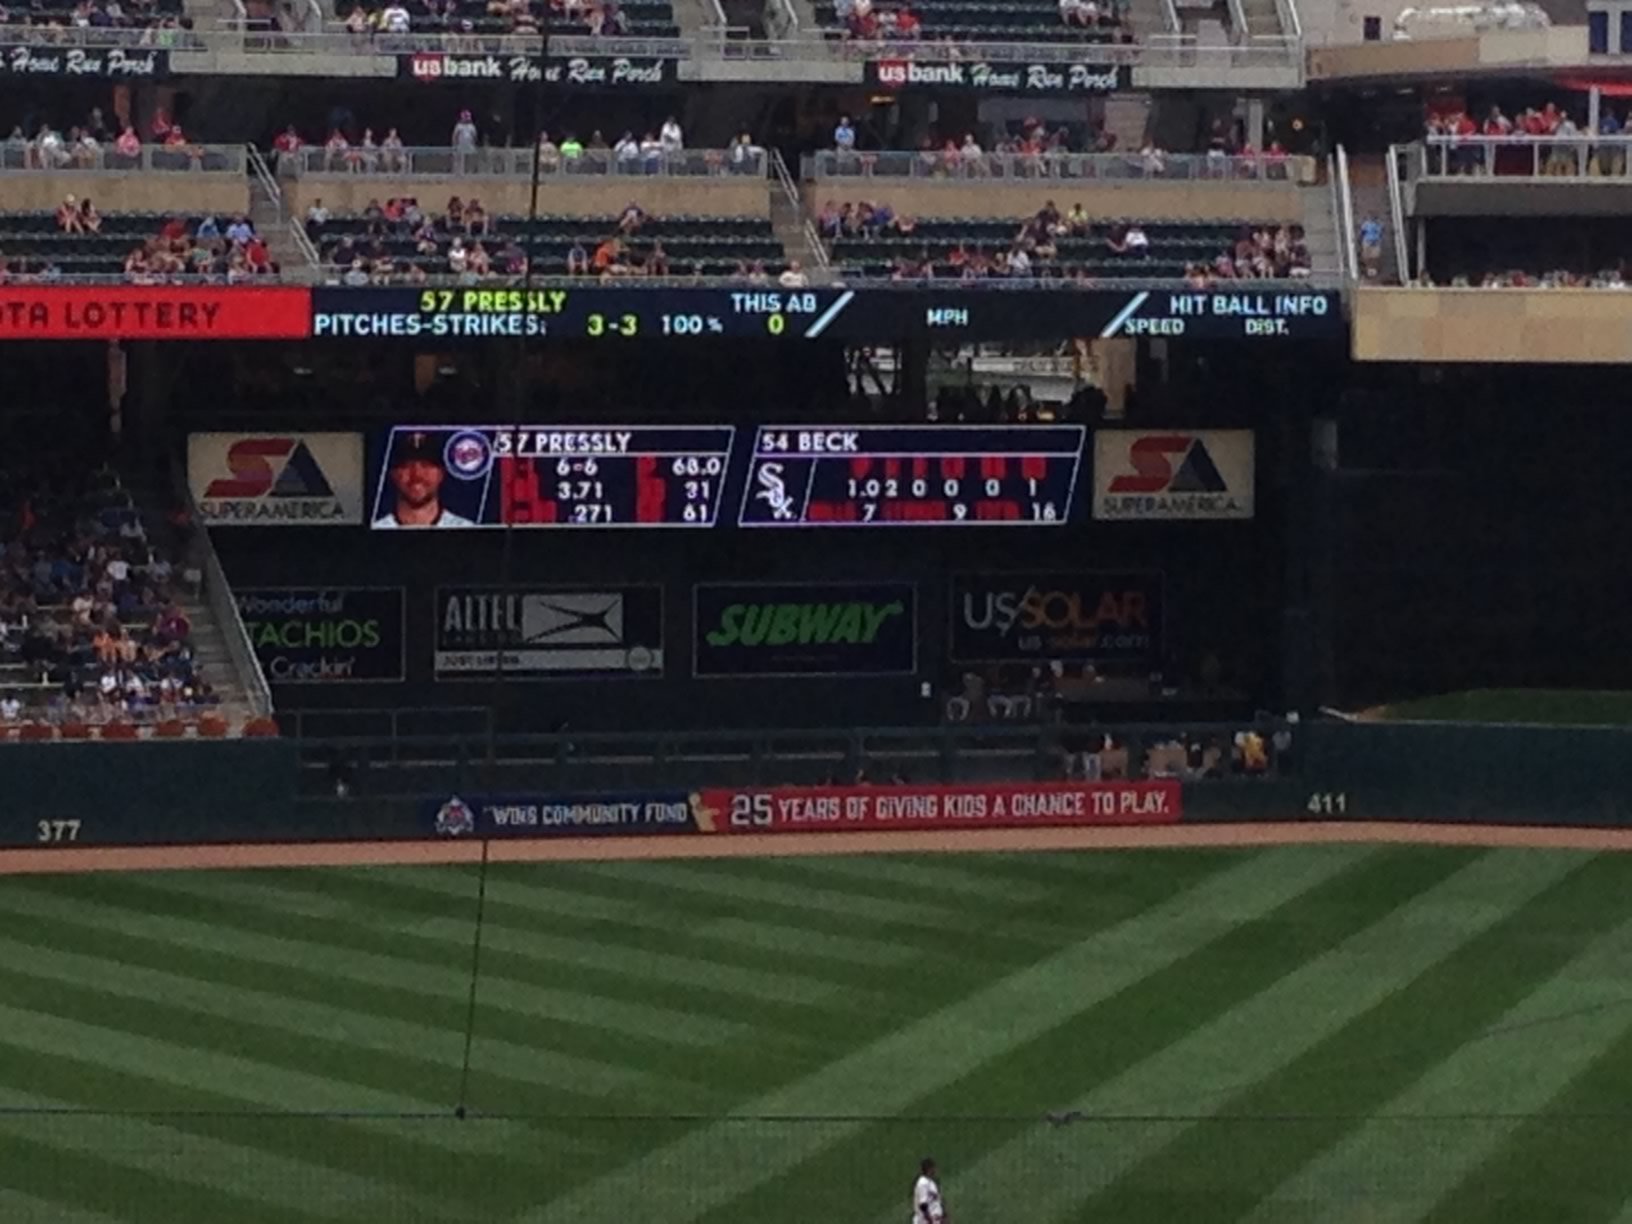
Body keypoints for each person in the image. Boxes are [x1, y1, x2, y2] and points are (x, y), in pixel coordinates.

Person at [374, 432, 475, 528]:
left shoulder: (467, 529)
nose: (417, 474)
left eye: (426, 465)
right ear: (393, 474)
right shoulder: (377, 528)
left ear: (441, 473)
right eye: (406, 466)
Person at [912, 1157, 945, 1224]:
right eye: (933, 1168)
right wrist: (930, 1221)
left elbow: (936, 1200)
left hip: (934, 1219)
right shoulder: (923, 1183)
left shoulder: (930, 1182)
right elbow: (923, 1206)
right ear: (929, 1169)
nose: (935, 1170)